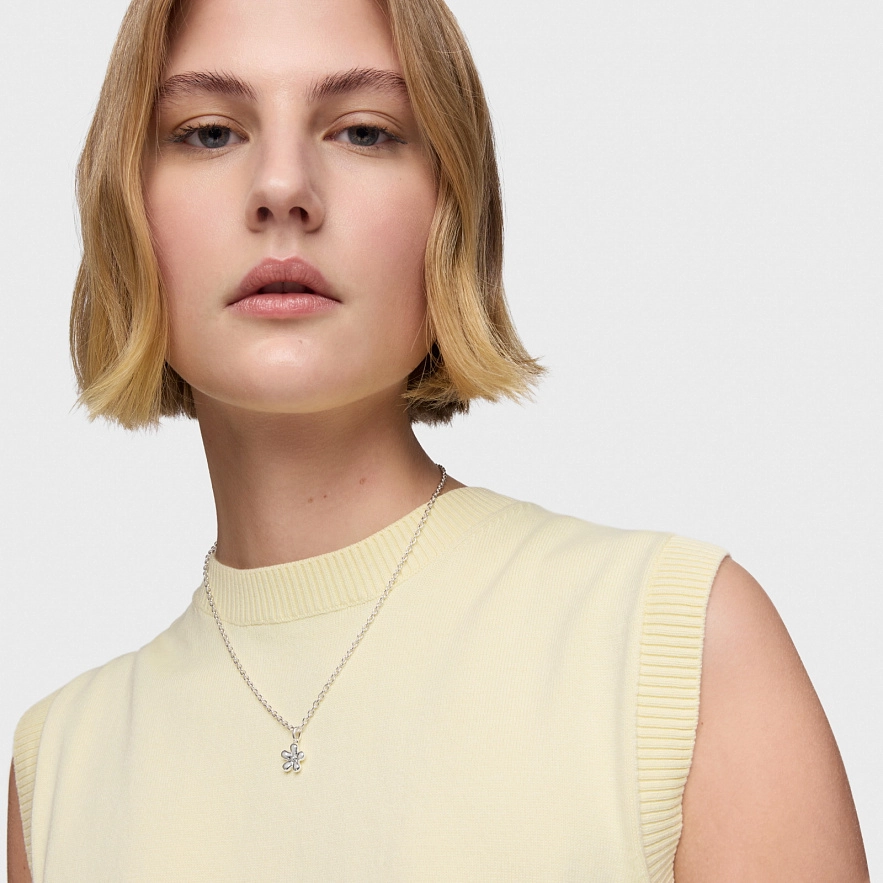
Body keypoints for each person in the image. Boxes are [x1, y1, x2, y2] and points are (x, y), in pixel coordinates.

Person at [7, 0, 870, 879]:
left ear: (451, 207)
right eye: (208, 133)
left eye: (363, 132)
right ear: (125, 206)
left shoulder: (675, 644)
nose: (282, 188)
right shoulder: (61, 767)